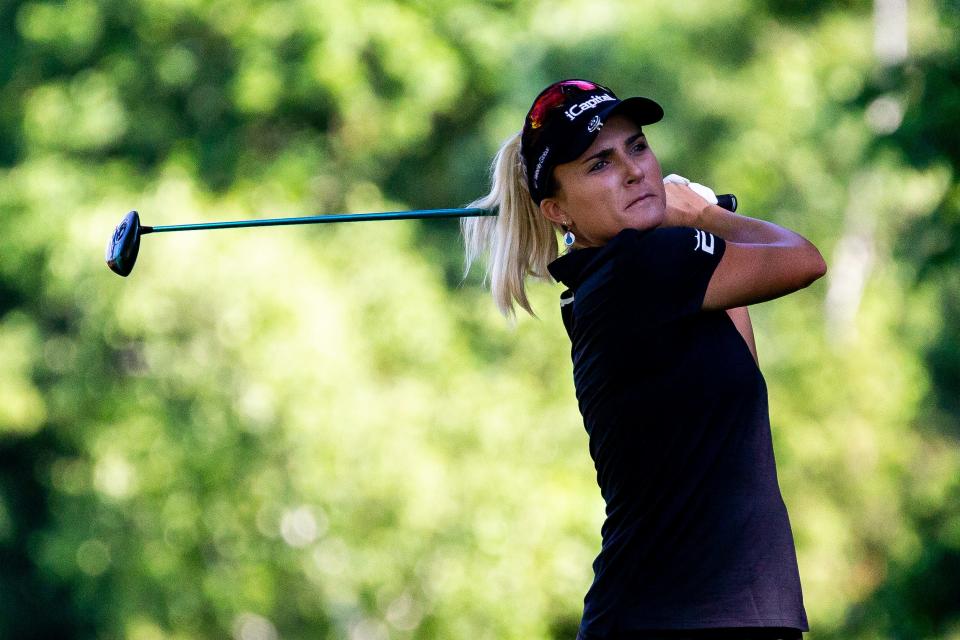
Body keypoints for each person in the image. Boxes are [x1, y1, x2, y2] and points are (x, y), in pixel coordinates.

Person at [461, 79, 827, 640]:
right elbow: (804, 260)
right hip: (677, 618)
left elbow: (744, 380)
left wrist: (697, 226)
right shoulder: (642, 266)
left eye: (637, 147)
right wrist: (707, 217)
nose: (633, 170)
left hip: (714, 615)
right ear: (557, 210)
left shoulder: (625, 278)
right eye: (599, 164)